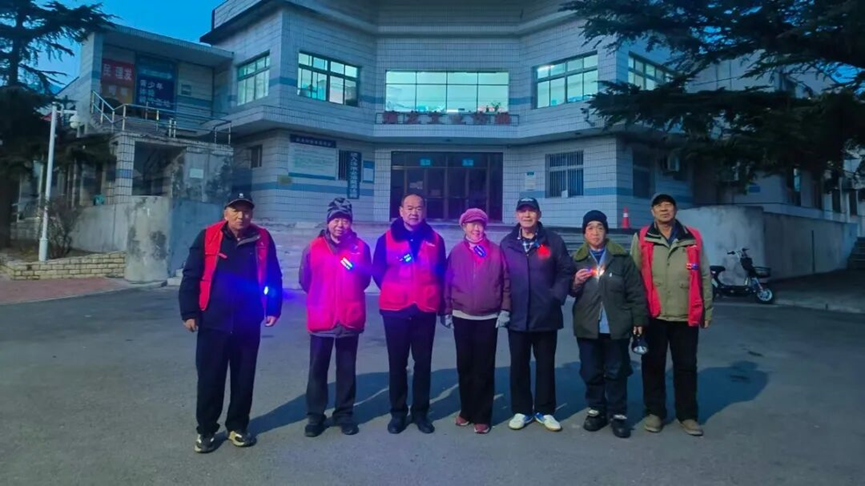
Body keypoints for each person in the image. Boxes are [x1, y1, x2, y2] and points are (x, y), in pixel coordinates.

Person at [178, 192, 283, 453]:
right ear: (226, 213)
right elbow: (191, 275)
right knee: (210, 379)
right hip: (213, 321)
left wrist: (273, 307)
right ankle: (206, 430)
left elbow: (273, 275)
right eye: (235, 210)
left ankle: (238, 426)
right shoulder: (208, 236)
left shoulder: (262, 238)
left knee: (243, 379)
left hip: (248, 321)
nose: (241, 215)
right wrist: (189, 312)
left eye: (246, 210)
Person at [630, 193, 713, 437]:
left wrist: (707, 309)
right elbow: (633, 277)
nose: (664, 209)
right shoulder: (642, 237)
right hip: (653, 313)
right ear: (652, 211)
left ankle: (687, 415)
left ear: (675, 210)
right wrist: (636, 315)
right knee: (652, 365)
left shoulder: (692, 237)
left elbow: (704, 274)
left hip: (685, 313)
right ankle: (654, 412)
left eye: (668, 205)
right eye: (659, 206)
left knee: (686, 366)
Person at [372, 193, 447, 435]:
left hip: (425, 309)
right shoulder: (386, 239)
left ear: (424, 211)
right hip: (395, 311)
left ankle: (420, 413)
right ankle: (398, 413)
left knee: (423, 364)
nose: (414, 212)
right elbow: (377, 272)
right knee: (397, 364)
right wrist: (396, 290)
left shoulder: (435, 240)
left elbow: (441, 272)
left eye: (419, 208)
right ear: (401, 211)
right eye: (409, 207)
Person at [570, 210, 647, 439]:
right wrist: (575, 282)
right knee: (591, 370)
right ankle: (596, 410)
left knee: (617, 371)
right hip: (587, 325)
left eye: (600, 227)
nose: (595, 232)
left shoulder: (621, 259)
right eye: (590, 228)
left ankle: (618, 414)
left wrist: (639, 320)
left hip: (616, 325)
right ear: (584, 233)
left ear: (606, 231)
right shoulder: (576, 259)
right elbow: (567, 290)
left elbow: (636, 291)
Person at [500, 197, 575, 432]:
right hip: (517, 315)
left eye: (531, 211)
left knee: (545, 365)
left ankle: (545, 410)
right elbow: (501, 276)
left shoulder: (553, 241)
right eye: (522, 211)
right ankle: (522, 410)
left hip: (546, 315)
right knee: (518, 365)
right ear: (516, 215)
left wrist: (556, 296)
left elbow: (566, 270)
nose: (527, 215)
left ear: (539, 215)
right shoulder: (507, 243)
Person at [299, 198, 371, 438]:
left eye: (345, 220)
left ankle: (344, 414)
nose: (340, 225)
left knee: (347, 369)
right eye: (336, 220)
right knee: (317, 370)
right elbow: (305, 280)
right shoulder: (314, 247)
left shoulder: (360, 248)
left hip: (349, 317)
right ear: (328, 221)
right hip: (322, 317)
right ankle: (315, 416)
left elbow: (364, 280)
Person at [442, 208, 511, 435]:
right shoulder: (456, 252)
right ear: (463, 227)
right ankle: (466, 410)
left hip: (487, 318)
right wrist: (446, 310)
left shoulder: (496, 251)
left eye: (480, 224)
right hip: (462, 316)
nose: (476, 228)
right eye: (471, 224)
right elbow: (446, 282)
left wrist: (505, 309)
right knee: (465, 367)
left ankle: (482, 415)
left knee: (484, 368)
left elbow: (506, 281)